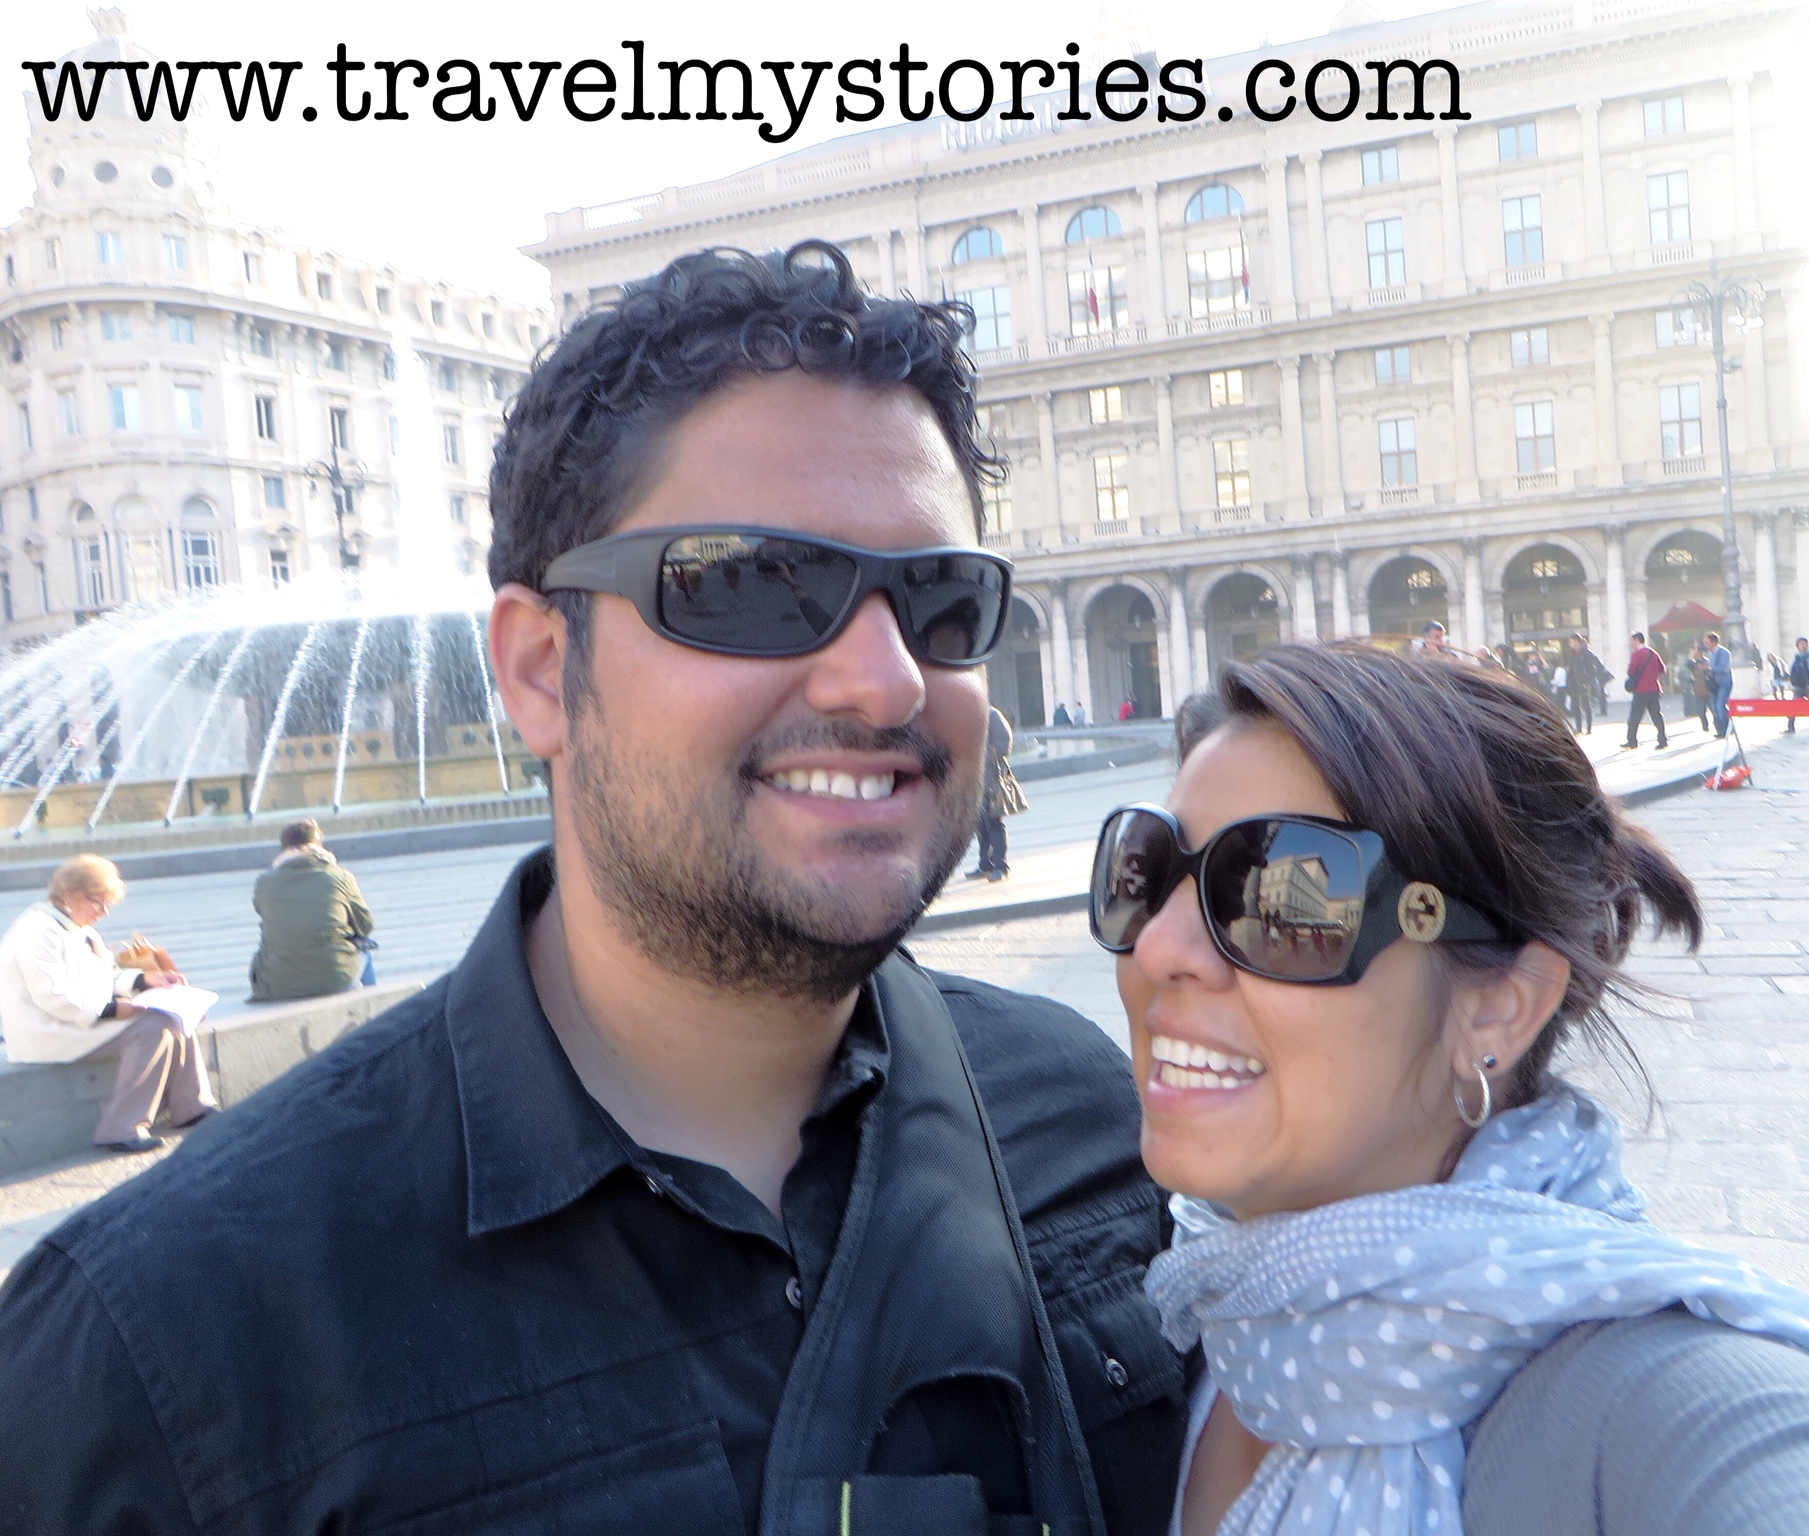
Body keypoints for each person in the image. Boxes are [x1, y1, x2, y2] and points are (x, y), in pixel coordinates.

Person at [0, 244, 1185, 1533]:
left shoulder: (1087, 1122)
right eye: (751, 584)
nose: (886, 679)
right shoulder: (161, 1349)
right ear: (535, 668)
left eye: (940, 602)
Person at [1087, 642, 1809, 1536]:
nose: (1158, 949)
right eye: (1151, 872)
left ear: (1497, 1008)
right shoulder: (1200, 1299)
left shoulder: (1640, 1401)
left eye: (1277, 902)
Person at [0, 854, 214, 1153]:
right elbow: (52, 997)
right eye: (97, 902)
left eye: (108, 904)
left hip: (72, 1020)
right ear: (68, 895)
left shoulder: (76, 926)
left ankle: (191, 1106)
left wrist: (145, 980)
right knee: (151, 1028)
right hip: (46, 1030)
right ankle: (120, 1128)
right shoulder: (38, 931)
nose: (103, 912)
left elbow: (105, 975)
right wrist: (111, 1010)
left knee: (174, 1014)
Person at [247, 818, 378, 1001]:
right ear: (319, 845)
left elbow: (264, 913)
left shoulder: (264, 882)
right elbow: (365, 925)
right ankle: (374, 1005)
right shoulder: (340, 876)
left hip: (277, 984)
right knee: (363, 948)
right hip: (335, 976)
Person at [969, 705, 1019, 881]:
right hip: (975, 782)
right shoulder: (969, 718)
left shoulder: (992, 715)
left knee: (993, 823)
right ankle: (985, 864)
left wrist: (980, 756)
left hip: (992, 781)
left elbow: (1004, 745)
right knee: (980, 825)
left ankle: (1001, 866)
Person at [1618, 631, 1668, 750]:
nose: (1631, 643)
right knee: (1657, 716)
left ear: (1636, 640)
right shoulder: (1653, 653)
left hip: (1640, 690)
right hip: (1654, 689)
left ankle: (1632, 741)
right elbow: (1662, 669)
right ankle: (1662, 740)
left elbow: (1630, 672)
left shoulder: (1636, 654)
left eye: (1632, 641)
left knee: (1634, 717)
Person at [1562, 635, 1600, 736]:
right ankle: (1578, 728)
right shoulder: (1572, 653)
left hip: (1583, 683)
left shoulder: (1587, 654)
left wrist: (1588, 682)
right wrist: (1568, 681)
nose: (1570, 644)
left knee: (1586, 705)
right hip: (1573, 683)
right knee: (1575, 706)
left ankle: (1588, 727)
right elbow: (1570, 668)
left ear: (1577, 642)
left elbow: (1592, 670)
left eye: (1571, 642)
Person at [1701, 630, 1735, 738]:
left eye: (1707, 643)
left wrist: (1710, 668)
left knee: (1720, 705)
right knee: (1715, 707)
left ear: (1713, 642)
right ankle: (1721, 730)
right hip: (1714, 684)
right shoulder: (1711, 653)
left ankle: (1727, 729)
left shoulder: (1724, 652)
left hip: (1724, 683)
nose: (1705, 645)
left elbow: (1724, 668)